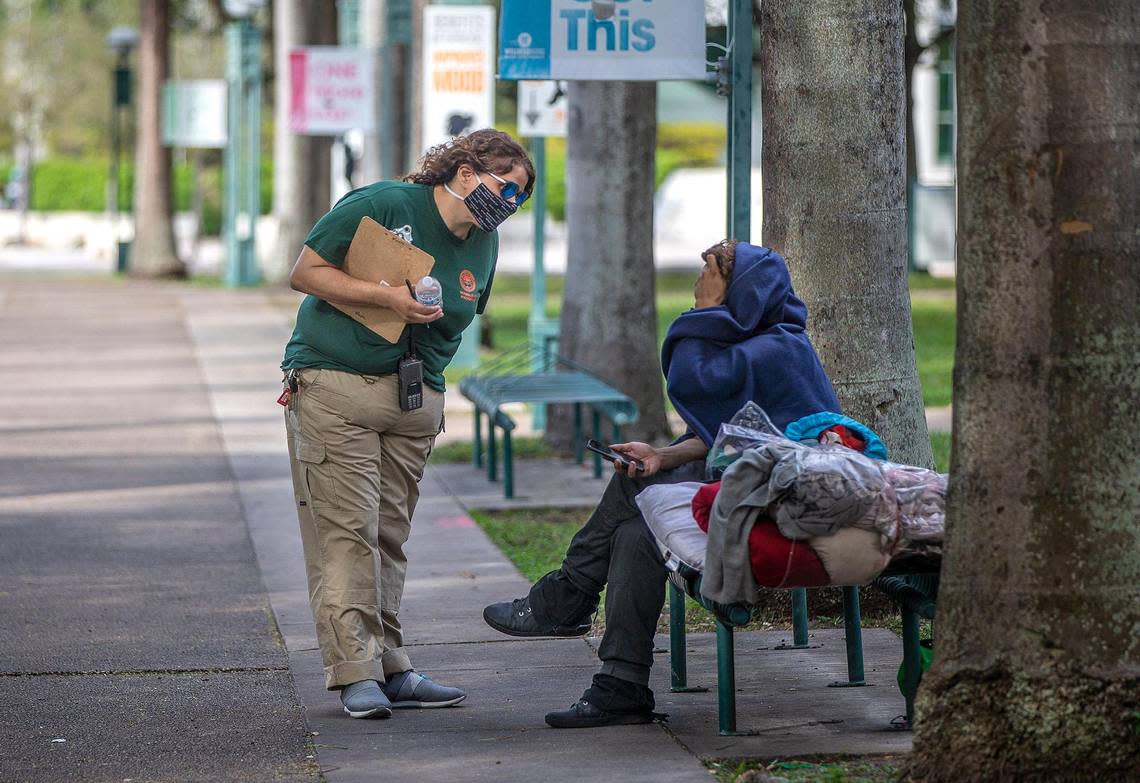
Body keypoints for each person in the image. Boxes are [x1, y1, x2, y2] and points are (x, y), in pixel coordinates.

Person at [482, 240, 841, 728]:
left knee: (634, 494)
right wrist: (663, 455)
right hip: (744, 490)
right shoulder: (757, 346)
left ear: (741, 290)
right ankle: (620, 686)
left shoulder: (780, 350)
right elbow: (726, 438)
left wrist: (709, 312)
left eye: (709, 274)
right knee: (636, 533)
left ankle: (568, 596)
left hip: (778, 505)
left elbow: (698, 383)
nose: (697, 283)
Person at [282, 129, 535, 719]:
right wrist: (384, 296)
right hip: (336, 383)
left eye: (520, 197)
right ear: (467, 173)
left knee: (389, 535)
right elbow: (307, 272)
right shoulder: (384, 205)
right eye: (506, 188)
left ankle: (391, 665)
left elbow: (467, 316)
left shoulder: (483, 244)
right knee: (348, 531)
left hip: (415, 400)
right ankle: (353, 672)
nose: (511, 203)